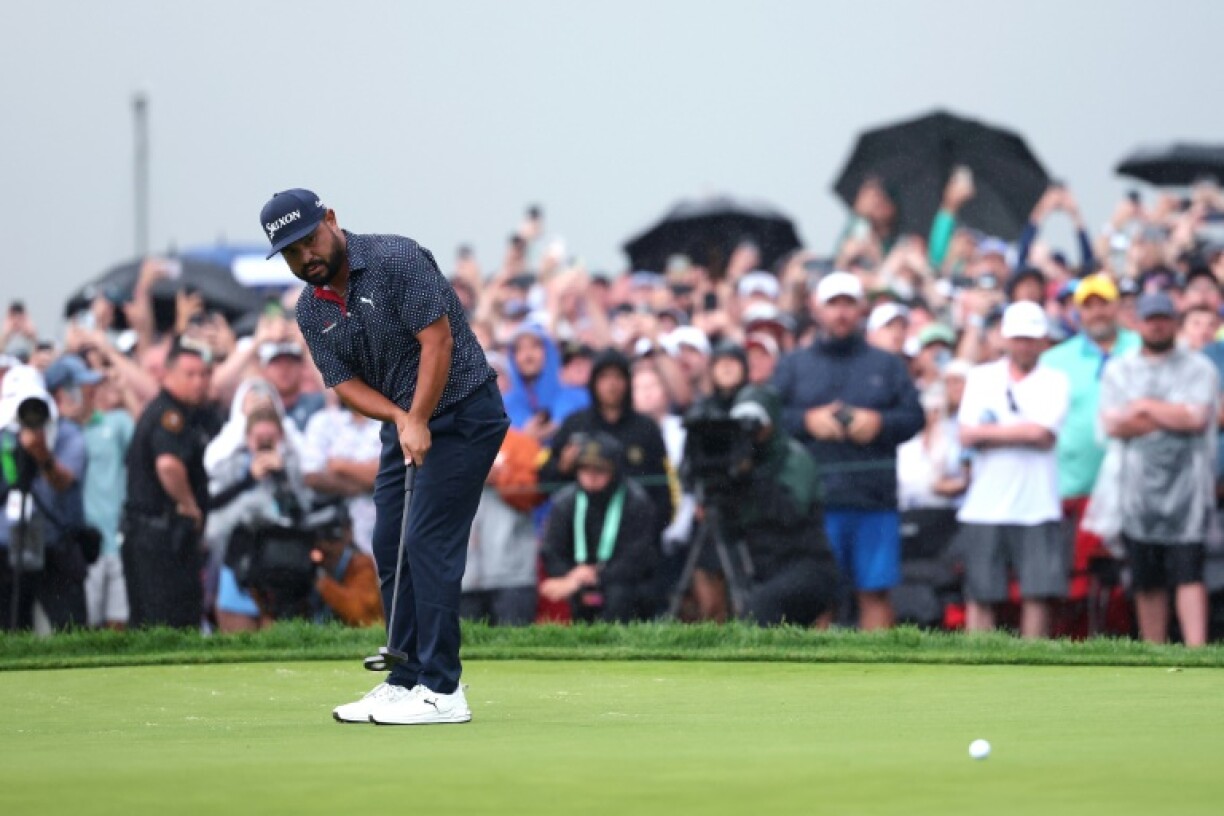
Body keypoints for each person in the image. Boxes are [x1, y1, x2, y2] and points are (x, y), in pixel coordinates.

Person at [265, 188, 508, 726]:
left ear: (330, 219)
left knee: (427, 541)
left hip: (465, 411)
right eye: (291, 252)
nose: (305, 257)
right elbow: (345, 384)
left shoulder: (396, 258)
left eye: (308, 241)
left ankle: (444, 690)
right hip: (406, 424)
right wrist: (402, 420)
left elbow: (438, 342)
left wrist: (417, 417)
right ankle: (406, 679)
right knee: (389, 542)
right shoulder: (311, 308)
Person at [773, 271, 925, 630]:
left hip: (874, 501)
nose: (840, 313)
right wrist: (806, 421)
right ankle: (810, 678)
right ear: (816, 308)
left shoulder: (887, 365)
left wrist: (879, 423)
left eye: (848, 304)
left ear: (862, 309)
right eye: (833, 304)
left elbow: (914, 417)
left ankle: (879, 679)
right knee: (815, 595)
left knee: (874, 593)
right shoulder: (794, 365)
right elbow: (769, 419)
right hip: (813, 504)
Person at [1098, 293, 1217, 646]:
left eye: (1164, 317)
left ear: (1175, 322)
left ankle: (1195, 651)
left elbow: (1196, 418)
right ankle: (1154, 650)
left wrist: (1145, 407)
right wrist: (1171, 415)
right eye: (1151, 319)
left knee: (1188, 574)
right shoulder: (1120, 368)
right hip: (1137, 494)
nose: (1158, 324)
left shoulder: (1199, 368)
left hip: (1188, 492)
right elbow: (1113, 424)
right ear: (1138, 323)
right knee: (1146, 579)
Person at [957, 302, 1070, 638]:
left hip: (1037, 504)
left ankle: (1032, 666)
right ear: (1005, 338)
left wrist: (989, 435)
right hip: (984, 505)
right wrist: (1022, 432)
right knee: (980, 595)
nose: (1024, 345)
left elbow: (1043, 435)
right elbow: (966, 434)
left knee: (1037, 594)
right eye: (1018, 338)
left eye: (1031, 338)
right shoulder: (980, 377)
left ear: (1043, 340)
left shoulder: (1055, 380)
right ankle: (977, 667)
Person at [726, 387, 839, 626]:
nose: (751, 432)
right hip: (762, 567)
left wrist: (752, 475)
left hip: (806, 567)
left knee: (760, 606)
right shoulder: (734, 463)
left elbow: (789, 513)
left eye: (757, 423)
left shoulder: (794, 458)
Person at [122, 338, 214, 629]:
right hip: (160, 537)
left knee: (162, 619)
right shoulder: (169, 415)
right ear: (168, 375)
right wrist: (190, 507)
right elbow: (168, 465)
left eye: (204, 374)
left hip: (154, 534)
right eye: (190, 374)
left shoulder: (186, 413)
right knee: (167, 621)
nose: (199, 382)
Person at [541, 348, 674, 543]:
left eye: (618, 377)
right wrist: (562, 466)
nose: (612, 385)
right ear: (594, 382)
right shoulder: (575, 425)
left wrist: (650, 535)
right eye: (604, 377)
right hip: (581, 537)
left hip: (636, 537)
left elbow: (664, 489)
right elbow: (544, 478)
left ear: (628, 383)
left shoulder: (646, 428)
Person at [205, 404, 312, 630]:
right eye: (259, 437)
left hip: (282, 563)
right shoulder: (232, 465)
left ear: (281, 436)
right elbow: (212, 504)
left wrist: (281, 478)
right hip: (239, 559)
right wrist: (248, 479)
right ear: (247, 438)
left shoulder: (293, 466)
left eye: (270, 437)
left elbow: (302, 514)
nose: (264, 442)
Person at [0, 365, 89, 630]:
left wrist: (42, 454)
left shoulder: (66, 434)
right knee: (10, 629)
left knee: (70, 627)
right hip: (6, 550)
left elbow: (63, 482)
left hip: (55, 545)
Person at [48, 355, 133, 629]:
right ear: (62, 392)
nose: (90, 391)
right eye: (82, 386)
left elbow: (146, 444)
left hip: (114, 541)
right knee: (81, 627)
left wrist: (126, 392)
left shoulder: (114, 422)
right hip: (77, 548)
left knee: (118, 624)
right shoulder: (53, 434)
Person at [461, 352, 546, 626]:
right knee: (463, 650)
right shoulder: (449, 442)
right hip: (463, 570)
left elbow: (534, 493)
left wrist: (500, 478)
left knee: (515, 646)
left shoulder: (522, 444)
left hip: (511, 569)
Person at [540, 433, 659, 621]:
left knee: (619, 593)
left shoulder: (636, 502)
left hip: (625, 585)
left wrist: (594, 576)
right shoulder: (565, 502)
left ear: (615, 472)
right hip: (574, 578)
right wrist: (570, 575)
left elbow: (637, 555)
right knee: (554, 589)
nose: (591, 477)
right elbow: (551, 549)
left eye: (600, 470)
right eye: (585, 469)